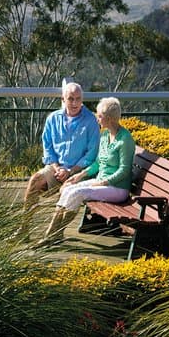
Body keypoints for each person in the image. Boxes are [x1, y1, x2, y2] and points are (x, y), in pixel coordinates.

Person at [43, 96, 135, 241]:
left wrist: (104, 182)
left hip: (117, 188)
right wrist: (79, 175)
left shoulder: (125, 140)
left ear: (109, 119)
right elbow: (98, 163)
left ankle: (51, 234)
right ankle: (54, 233)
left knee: (78, 192)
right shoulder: (105, 136)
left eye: (100, 116)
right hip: (101, 182)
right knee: (68, 188)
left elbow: (124, 170)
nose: (97, 118)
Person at [23, 81, 100, 210]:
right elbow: (48, 147)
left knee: (66, 191)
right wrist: (57, 168)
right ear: (63, 99)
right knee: (35, 180)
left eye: (78, 99)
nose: (75, 103)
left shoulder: (91, 120)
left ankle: (55, 230)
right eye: (70, 99)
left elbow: (92, 153)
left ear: (82, 99)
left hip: (79, 171)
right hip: (56, 168)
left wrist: (70, 170)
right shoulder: (52, 119)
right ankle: (24, 225)